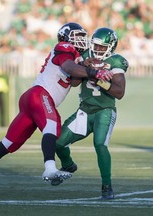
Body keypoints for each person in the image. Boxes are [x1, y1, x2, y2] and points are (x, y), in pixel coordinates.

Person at [0, 22, 114, 197]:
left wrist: (86, 65)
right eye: (77, 36)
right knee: (52, 125)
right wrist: (94, 73)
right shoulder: (64, 46)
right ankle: (49, 168)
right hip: (40, 95)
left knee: (9, 143)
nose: (81, 40)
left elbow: (75, 79)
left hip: (32, 99)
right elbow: (67, 67)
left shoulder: (75, 56)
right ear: (66, 37)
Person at [54, 27, 129, 200]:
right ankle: (68, 165)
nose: (97, 50)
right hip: (85, 111)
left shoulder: (116, 61)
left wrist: (99, 80)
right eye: (95, 45)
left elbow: (119, 92)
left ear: (111, 46)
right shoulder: (85, 55)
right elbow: (73, 83)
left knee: (100, 145)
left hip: (104, 110)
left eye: (102, 47)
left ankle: (107, 185)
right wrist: (84, 66)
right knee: (58, 143)